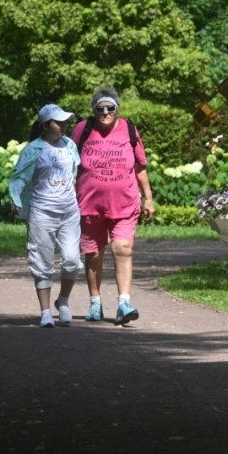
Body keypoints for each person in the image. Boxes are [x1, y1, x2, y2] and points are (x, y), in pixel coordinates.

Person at [73, 87, 155, 325]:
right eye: (100, 108)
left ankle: (124, 303)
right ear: (94, 110)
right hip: (89, 205)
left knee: (123, 248)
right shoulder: (82, 129)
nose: (105, 112)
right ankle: (95, 303)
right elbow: (69, 161)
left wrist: (148, 197)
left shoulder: (129, 129)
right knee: (93, 254)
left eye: (111, 108)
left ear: (117, 109)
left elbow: (140, 166)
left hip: (125, 204)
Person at [8, 104, 82, 328]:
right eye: (57, 121)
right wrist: (16, 198)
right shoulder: (34, 149)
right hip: (42, 212)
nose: (63, 125)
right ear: (44, 125)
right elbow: (18, 177)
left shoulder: (69, 145)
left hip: (69, 211)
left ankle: (64, 301)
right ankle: (46, 311)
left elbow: (75, 174)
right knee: (42, 261)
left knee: (71, 259)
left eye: (64, 121)